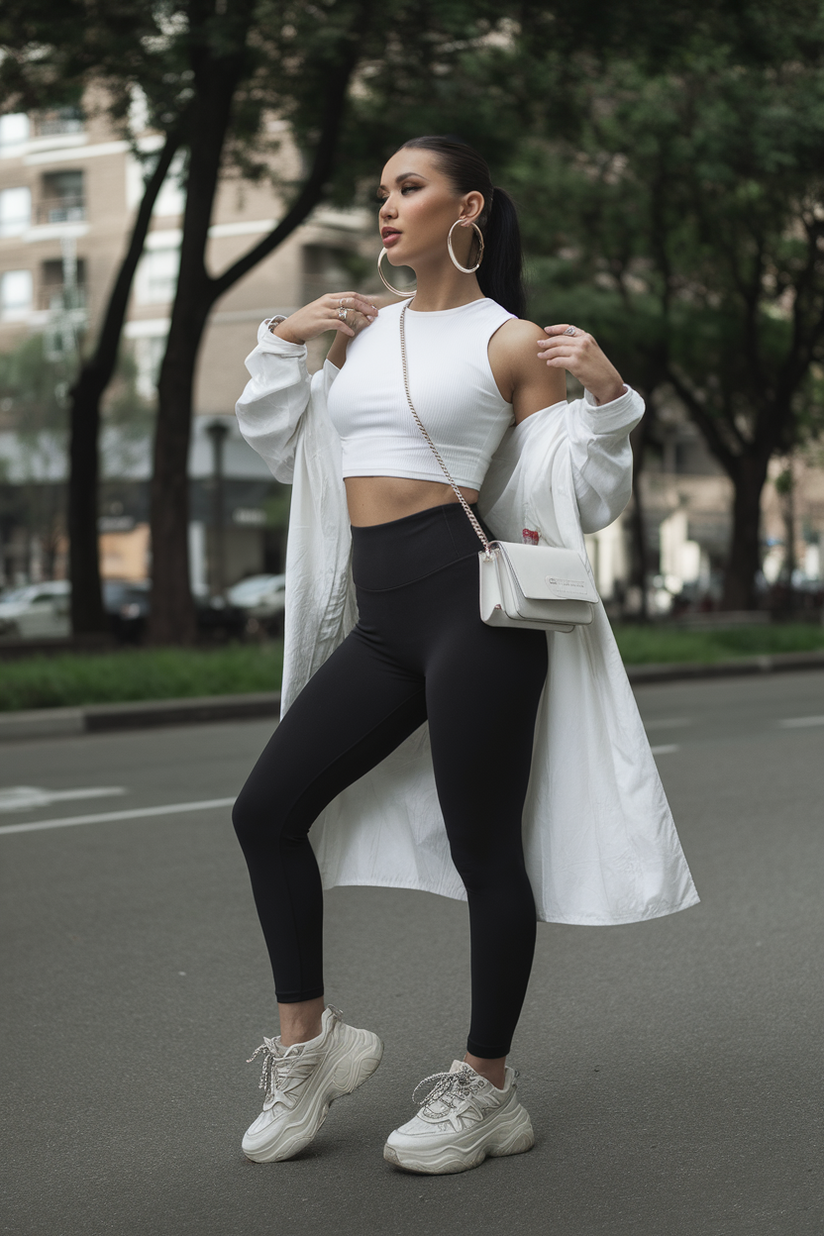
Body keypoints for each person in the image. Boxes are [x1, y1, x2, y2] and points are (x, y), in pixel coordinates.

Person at [232, 135, 698, 1175]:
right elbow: (286, 444)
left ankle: (486, 1085)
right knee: (264, 811)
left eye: (409, 189)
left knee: (483, 847)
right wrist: (282, 334)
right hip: (384, 619)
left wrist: (609, 404)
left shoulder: (511, 340)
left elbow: (568, 498)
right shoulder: (361, 333)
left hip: (471, 610)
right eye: (381, 193)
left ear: (466, 206)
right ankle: (308, 1046)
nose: (386, 208)